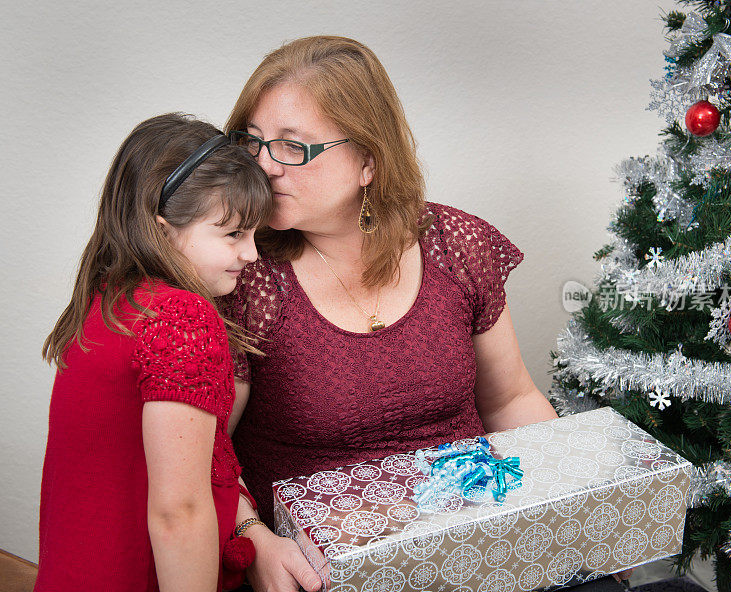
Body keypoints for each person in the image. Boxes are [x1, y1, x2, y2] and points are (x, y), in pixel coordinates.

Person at [219, 36, 562, 592]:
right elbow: (205, 452)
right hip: (327, 568)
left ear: (368, 163)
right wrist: (255, 535)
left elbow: (511, 400)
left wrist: (569, 498)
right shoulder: (244, 275)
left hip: (473, 544)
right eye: (252, 142)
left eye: (291, 146)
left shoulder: (455, 246)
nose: (263, 167)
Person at [35, 113, 272, 592]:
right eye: (233, 234)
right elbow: (179, 512)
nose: (253, 254)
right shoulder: (180, 318)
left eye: (254, 234)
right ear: (163, 231)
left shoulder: (108, 302)